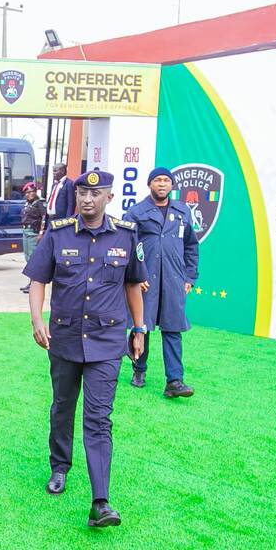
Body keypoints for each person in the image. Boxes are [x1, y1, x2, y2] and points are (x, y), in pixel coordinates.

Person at [24, 169, 148, 527]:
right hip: (64, 339)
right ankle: (60, 466)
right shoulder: (58, 232)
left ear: (109, 197)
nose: (87, 199)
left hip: (107, 342)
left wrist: (139, 328)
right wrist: (36, 319)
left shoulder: (126, 235)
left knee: (98, 418)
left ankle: (100, 501)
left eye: (95, 194)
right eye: (82, 193)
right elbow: (38, 279)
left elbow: (133, 284)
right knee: (63, 407)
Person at [122, 167, 199, 398]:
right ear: (150, 184)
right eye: (157, 180)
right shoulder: (136, 212)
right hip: (146, 280)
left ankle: (175, 381)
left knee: (173, 328)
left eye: (166, 180)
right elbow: (126, 245)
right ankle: (139, 369)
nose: (162, 184)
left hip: (174, 280)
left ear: (172, 185)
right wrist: (136, 276)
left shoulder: (183, 211)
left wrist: (189, 277)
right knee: (142, 326)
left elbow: (191, 246)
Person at [19, 181, 45, 293]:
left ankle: (34, 285)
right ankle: (30, 283)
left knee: (32, 259)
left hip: (33, 233)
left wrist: (41, 233)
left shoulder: (39, 203)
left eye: (31, 192)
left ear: (35, 192)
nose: (29, 194)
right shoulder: (27, 203)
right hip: (26, 232)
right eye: (27, 192)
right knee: (27, 258)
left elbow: (44, 218)